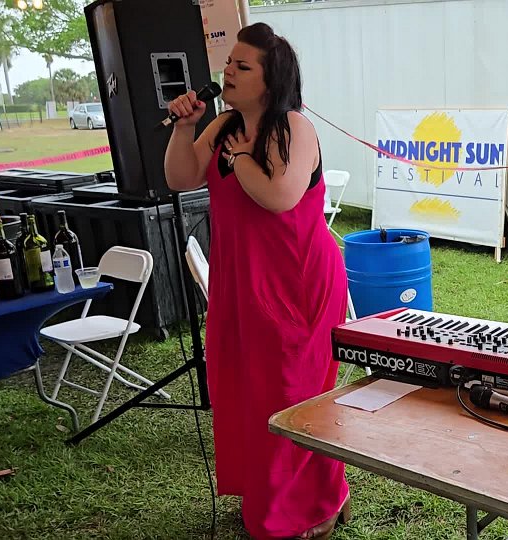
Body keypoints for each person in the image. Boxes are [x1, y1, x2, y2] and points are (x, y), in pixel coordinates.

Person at [164, 23, 349, 540]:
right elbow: (180, 177)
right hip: (241, 283)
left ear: (271, 80)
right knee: (247, 394)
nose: (228, 72)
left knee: (294, 395)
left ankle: (313, 505)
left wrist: (242, 158)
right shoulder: (222, 125)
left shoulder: (294, 128)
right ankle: (277, 495)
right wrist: (184, 129)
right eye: (229, 63)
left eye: (243, 66)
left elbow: (279, 197)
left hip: (297, 284)